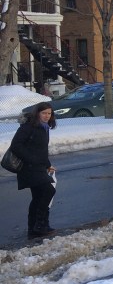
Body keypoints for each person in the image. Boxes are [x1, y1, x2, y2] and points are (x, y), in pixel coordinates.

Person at [12, 101, 58, 239]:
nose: (47, 116)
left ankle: (34, 229)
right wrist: (32, 159)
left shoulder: (44, 127)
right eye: (44, 113)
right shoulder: (28, 127)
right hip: (29, 168)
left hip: (38, 167)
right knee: (49, 191)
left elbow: (41, 150)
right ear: (37, 113)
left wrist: (47, 164)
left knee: (38, 197)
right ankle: (39, 225)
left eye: (49, 113)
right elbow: (16, 146)